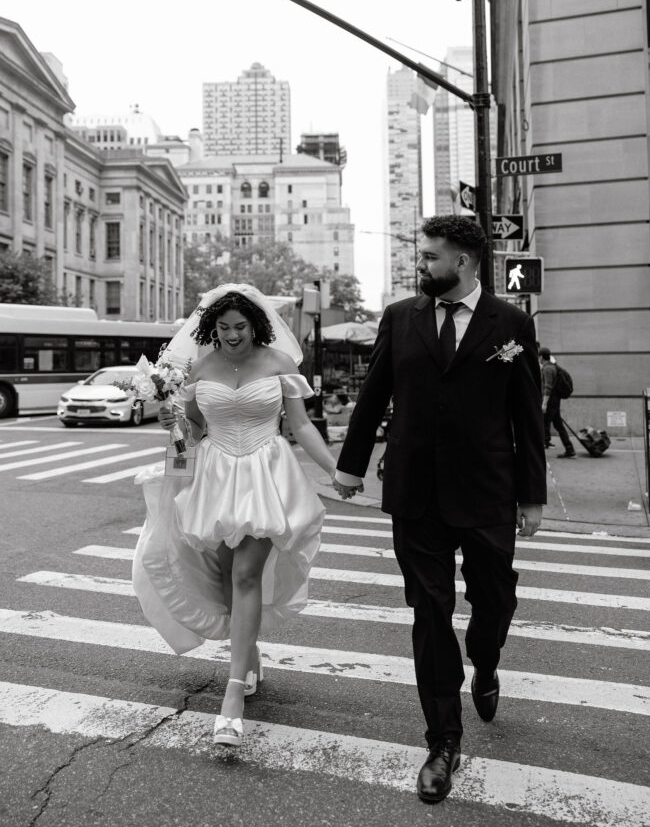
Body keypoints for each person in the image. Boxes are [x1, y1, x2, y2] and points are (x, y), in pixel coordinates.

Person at [332, 216, 546, 804]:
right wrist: (350, 466)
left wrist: (532, 494)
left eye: (430, 257)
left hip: (487, 493)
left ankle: (486, 658)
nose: (420, 266)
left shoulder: (512, 324)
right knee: (429, 613)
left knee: (495, 597)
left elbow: (528, 416)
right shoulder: (401, 318)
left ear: (465, 262)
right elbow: (374, 392)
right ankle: (443, 742)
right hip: (416, 494)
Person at [132, 284, 336, 747]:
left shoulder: (279, 365)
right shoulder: (199, 369)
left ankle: (232, 697)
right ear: (211, 328)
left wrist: (335, 469)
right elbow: (192, 434)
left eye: (240, 327)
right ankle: (250, 655)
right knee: (227, 578)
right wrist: (174, 427)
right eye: (223, 328)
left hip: (266, 472)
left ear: (256, 325)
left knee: (246, 575)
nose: (232, 336)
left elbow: (300, 424)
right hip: (215, 474)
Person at [539, 346, 575, 458]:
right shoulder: (551, 367)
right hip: (554, 402)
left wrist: (544, 403)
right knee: (558, 425)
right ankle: (570, 449)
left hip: (550, 402)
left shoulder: (547, 369)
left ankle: (538, 453)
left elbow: (548, 387)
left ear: (541, 357)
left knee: (542, 426)